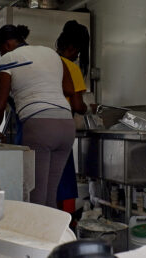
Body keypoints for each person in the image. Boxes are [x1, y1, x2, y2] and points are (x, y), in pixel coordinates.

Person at [0, 24, 83, 208]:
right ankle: (55, 236)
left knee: (36, 198)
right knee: (51, 196)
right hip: (66, 126)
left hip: (40, 126)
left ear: (7, 45)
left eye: (0, 51)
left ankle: (37, 236)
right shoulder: (52, 54)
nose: (1, 55)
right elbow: (69, 89)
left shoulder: (9, 58)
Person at [54, 20, 91, 214]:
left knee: (43, 180)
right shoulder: (71, 67)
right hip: (60, 128)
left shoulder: (48, 63)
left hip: (34, 126)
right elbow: (77, 105)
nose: (77, 56)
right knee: (65, 179)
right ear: (72, 48)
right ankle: (66, 226)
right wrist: (87, 109)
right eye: (78, 52)